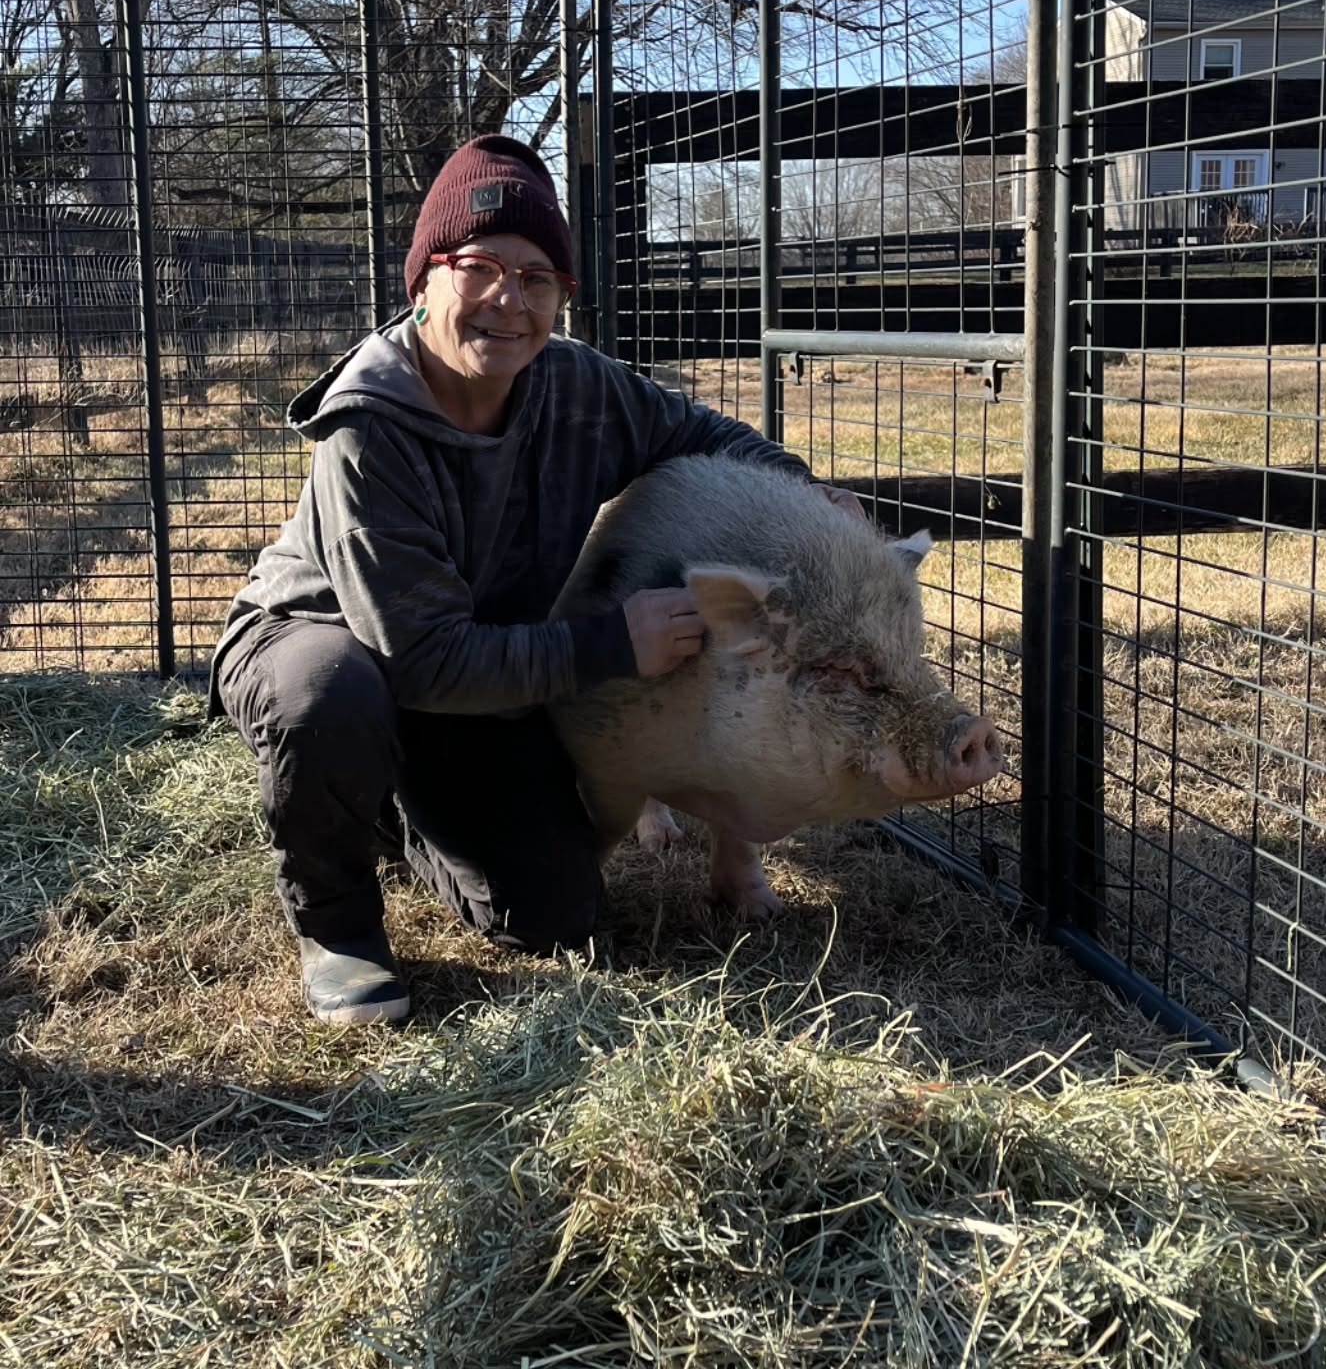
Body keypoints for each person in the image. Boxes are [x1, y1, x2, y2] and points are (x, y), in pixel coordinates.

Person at [210, 135, 861, 1027]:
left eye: (539, 278)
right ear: (425, 279)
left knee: (555, 917)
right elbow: (424, 662)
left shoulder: (576, 386)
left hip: (480, 672)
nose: (508, 301)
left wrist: (802, 488)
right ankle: (339, 927)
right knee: (330, 698)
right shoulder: (369, 428)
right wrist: (609, 645)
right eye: (480, 267)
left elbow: (705, 436)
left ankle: (391, 806)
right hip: (328, 640)